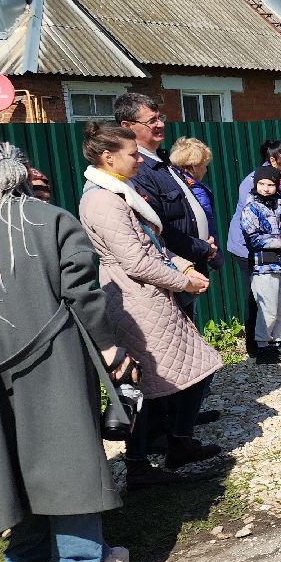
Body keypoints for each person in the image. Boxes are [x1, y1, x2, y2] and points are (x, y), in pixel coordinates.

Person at [0, 142, 132, 562]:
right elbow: (83, 294)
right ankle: (80, 559)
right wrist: (109, 348)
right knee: (63, 447)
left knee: (4, 448)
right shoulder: (52, 220)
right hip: (50, 355)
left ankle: (24, 556)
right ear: (22, 175)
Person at [77, 122, 223, 478]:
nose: (140, 160)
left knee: (170, 375)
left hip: (147, 295)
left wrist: (182, 265)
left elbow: (150, 244)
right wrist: (183, 281)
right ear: (108, 157)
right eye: (132, 155)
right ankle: (143, 462)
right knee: (145, 381)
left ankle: (171, 444)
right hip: (136, 298)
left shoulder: (118, 191)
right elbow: (136, 261)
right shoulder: (102, 200)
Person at [117, 93, 217, 282]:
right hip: (175, 271)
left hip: (194, 263)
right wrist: (203, 248)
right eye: (152, 121)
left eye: (160, 118)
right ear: (127, 126)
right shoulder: (138, 170)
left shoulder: (162, 159)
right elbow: (159, 228)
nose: (161, 124)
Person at [226, 140, 281, 357]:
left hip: (278, 255)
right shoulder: (253, 185)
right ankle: (257, 345)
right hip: (252, 250)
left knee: (278, 302)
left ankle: (273, 342)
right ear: (273, 161)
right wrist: (280, 237)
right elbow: (254, 228)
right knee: (258, 298)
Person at [240, 165, 281, 365]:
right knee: (266, 309)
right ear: (255, 184)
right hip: (263, 266)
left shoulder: (280, 204)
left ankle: (275, 344)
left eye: (270, 184)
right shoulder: (251, 208)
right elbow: (253, 239)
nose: (266, 188)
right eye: (262, 184)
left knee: (279, 309)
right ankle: (262, 346)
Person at [168, 137, 219, 249]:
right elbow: (207, 223)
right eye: (204, 165)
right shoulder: (196, 190)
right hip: (200, 248)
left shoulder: (170, 179)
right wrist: (215, 251)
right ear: (194, 166)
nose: (206, 170)